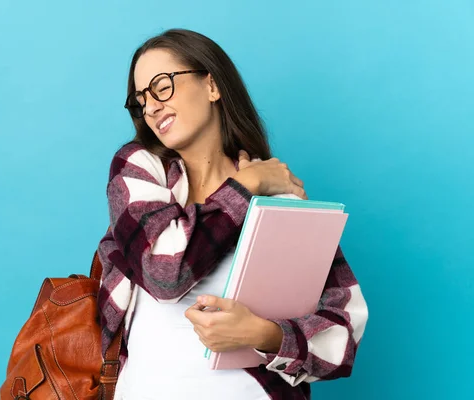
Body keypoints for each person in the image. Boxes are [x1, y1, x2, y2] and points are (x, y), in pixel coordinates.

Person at [97, 28, 368, 400]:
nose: (152, 107)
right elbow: (164, 274)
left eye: (162, 86)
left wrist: (261, 334)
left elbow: (343, 330)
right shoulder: (140, 170)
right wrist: (246, 185)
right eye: (141, 100)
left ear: (211, 86)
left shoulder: (279, 198)